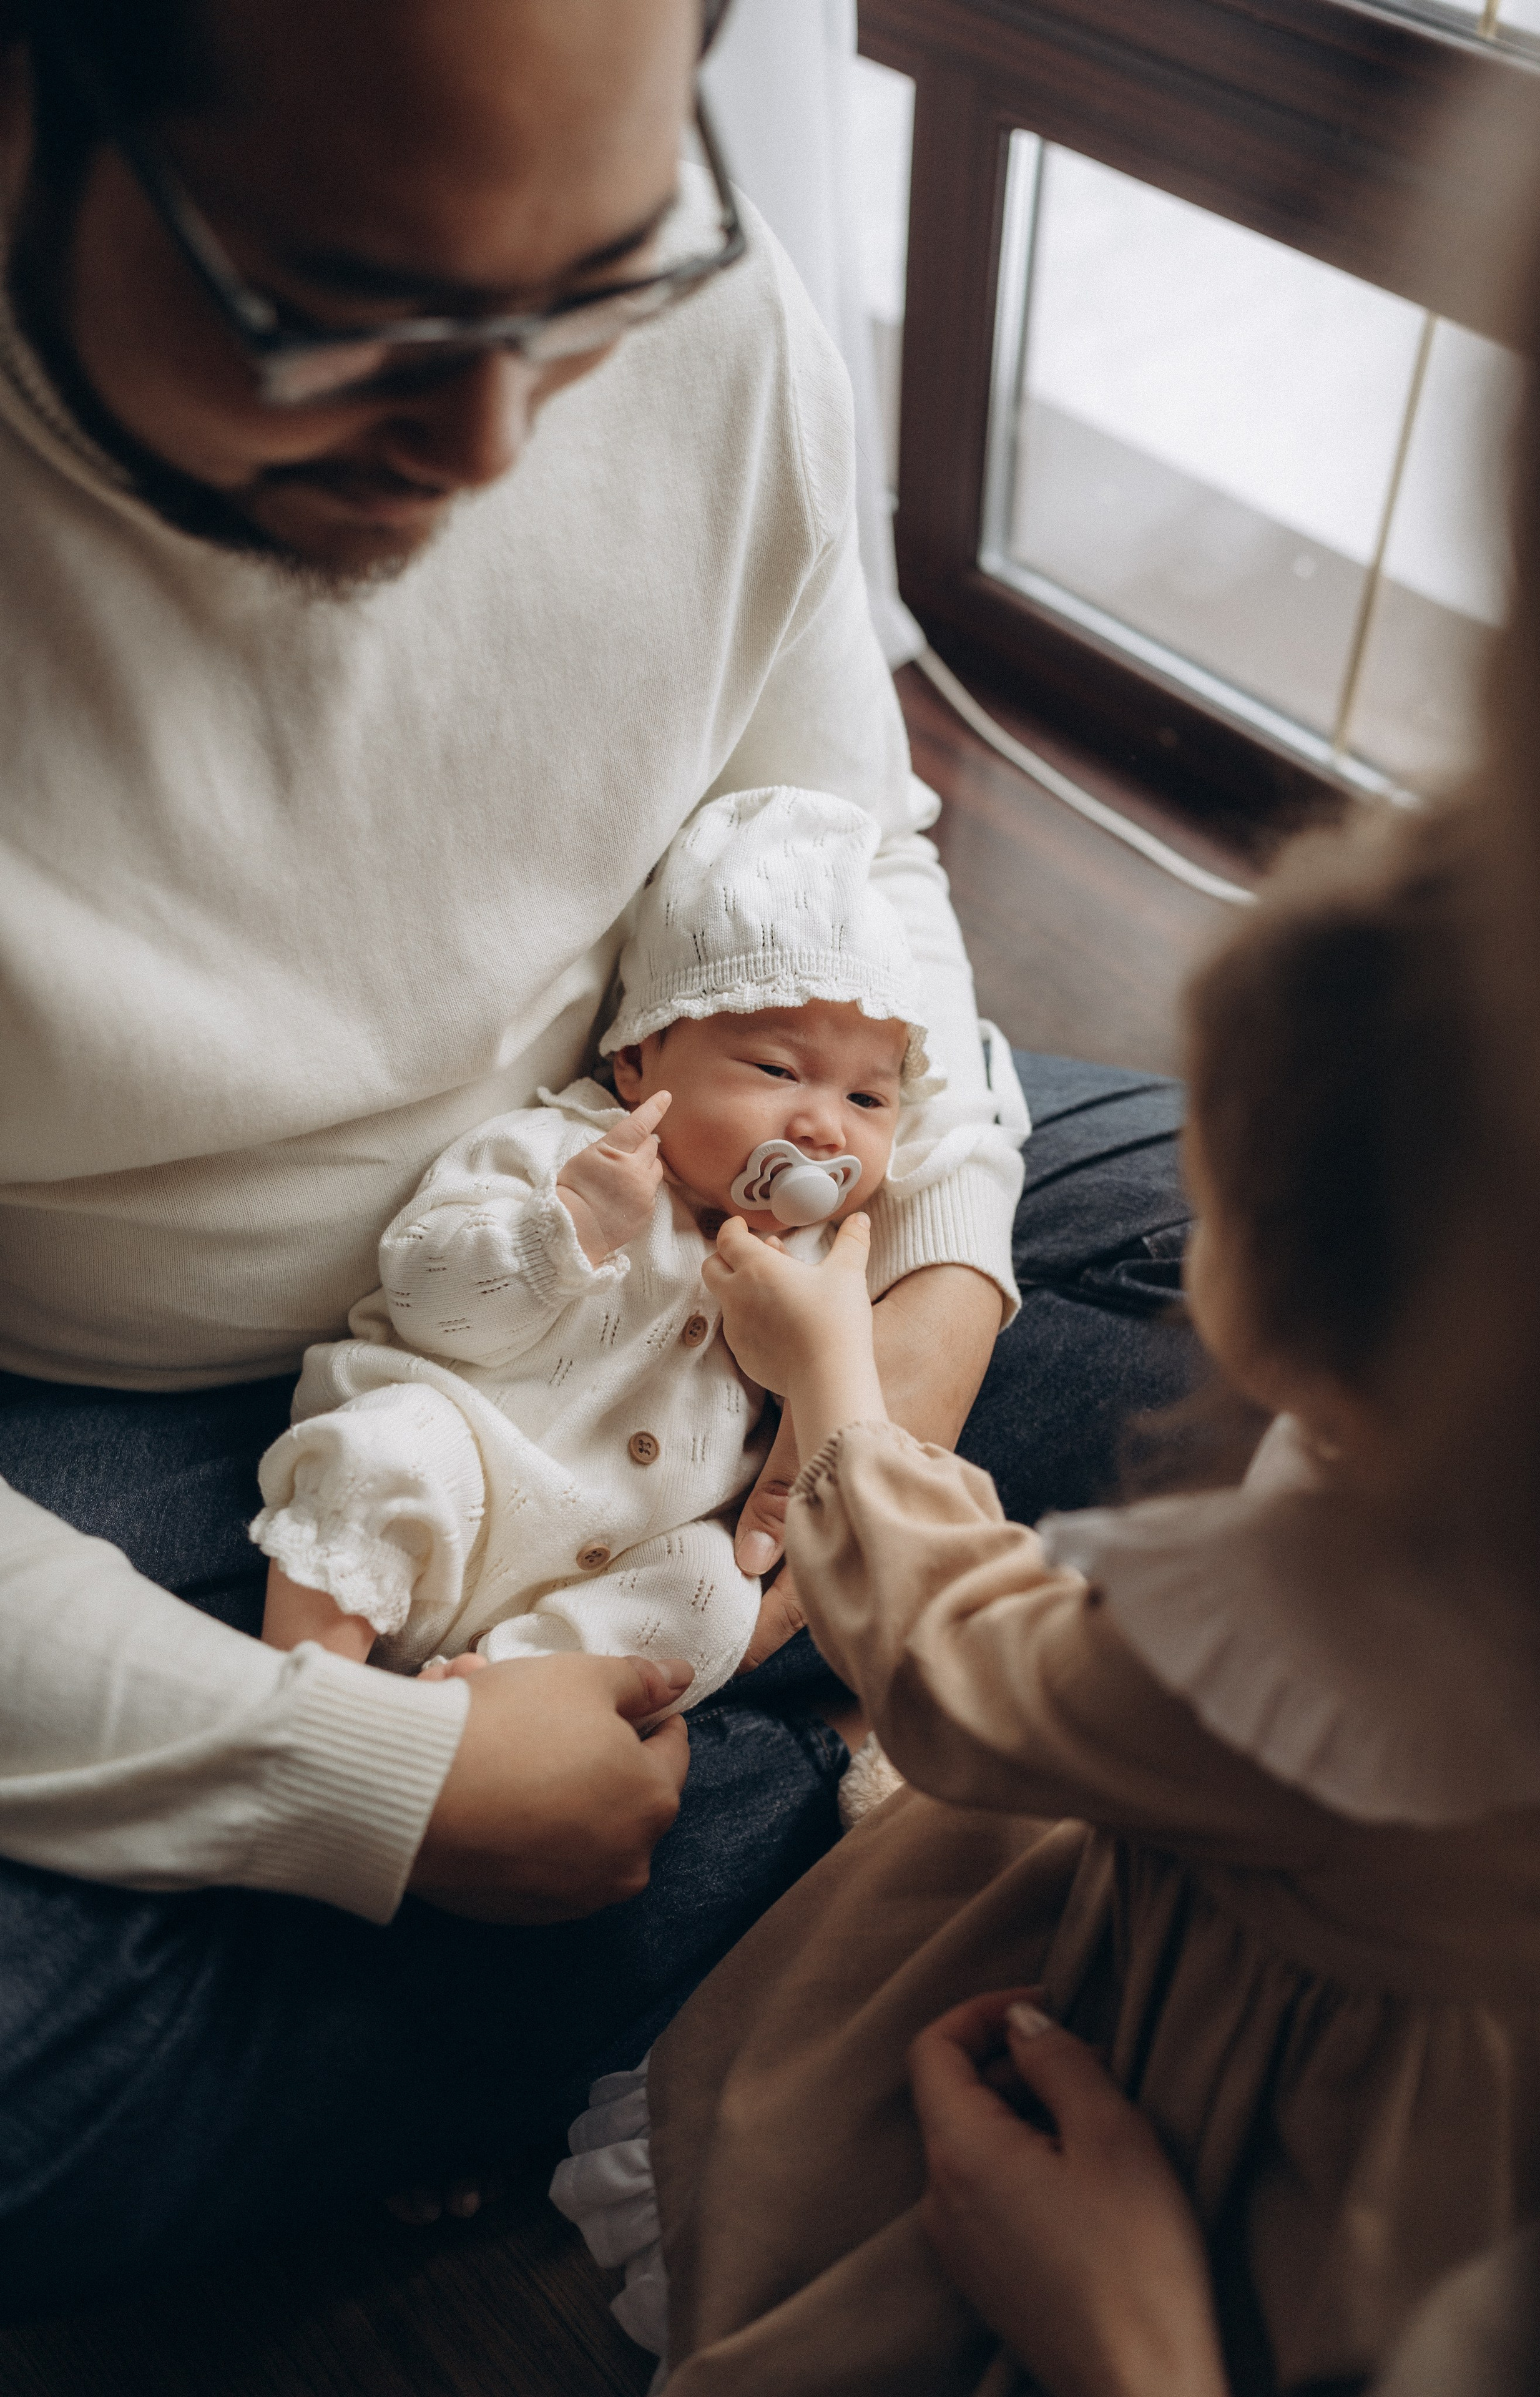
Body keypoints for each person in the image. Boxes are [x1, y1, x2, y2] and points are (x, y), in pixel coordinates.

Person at [0, 0, 1194, 2307]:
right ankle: (834, 1802)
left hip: (709, 1162)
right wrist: (351, 1770)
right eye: (345, 316)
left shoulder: (700, 304)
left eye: (591, 291)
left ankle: (593, 1877)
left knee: (1288, 1320)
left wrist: (918, 1335)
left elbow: (845, 850)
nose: (492, 436)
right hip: (143, 1403)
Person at [555, 816, 1540, 2394]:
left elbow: (965, 1662)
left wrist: (833, 1385)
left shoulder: (1317, 1636)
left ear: (1290, 1306)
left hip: (1237, 2088)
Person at [255, 787, 1021, 1707]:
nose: (822, 1127)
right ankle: (309, 1698)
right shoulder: (558, 1154)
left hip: (617, 1557)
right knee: (381, 1453)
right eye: (778, 1071)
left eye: (868, 1101)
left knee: (710, 1596)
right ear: (637, 1060)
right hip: (469, 1472)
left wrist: (823, 1361)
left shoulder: (824, 1265)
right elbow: (423, 1295)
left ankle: (497, 1705)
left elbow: (822, 1430)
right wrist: (562, 1232)